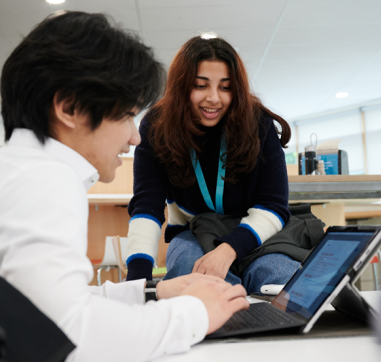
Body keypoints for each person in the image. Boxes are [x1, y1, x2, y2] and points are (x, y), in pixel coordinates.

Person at [0, 12, 249, 362]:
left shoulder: (19, 168)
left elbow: (43, 308)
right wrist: (195, 313)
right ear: (69, 107)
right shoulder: (45, 180)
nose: (134, 137)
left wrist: (152, 292)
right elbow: (70, 334)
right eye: (125, 115)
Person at [126, 34, 301, 293]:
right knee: (195, 278)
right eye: (201, 85)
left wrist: (228, 251)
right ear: (181, 86)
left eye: (225, 87)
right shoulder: (156, 126)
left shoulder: (257, 123)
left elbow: (273, 205)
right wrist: (137, 279)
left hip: (257, 233)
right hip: (192, 232)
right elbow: (147, 206)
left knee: (282, 281)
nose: (214, 98)